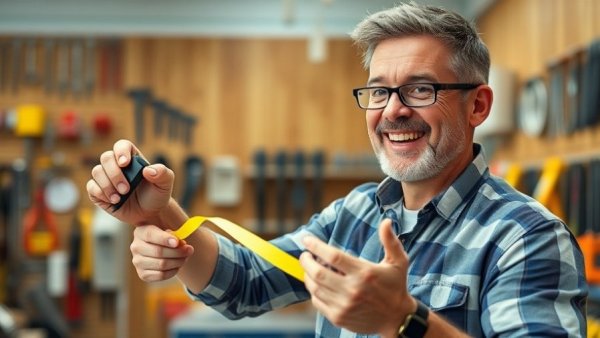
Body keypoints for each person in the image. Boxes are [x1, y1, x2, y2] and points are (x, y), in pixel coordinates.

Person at [86, 3, 587, 337]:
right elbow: (245, 284)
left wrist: (405, 321)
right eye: (378, 91)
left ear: (477, 106)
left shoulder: (527, 237)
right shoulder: (354, 215)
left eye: (419, 89)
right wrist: (161, 215)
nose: (392, 111)